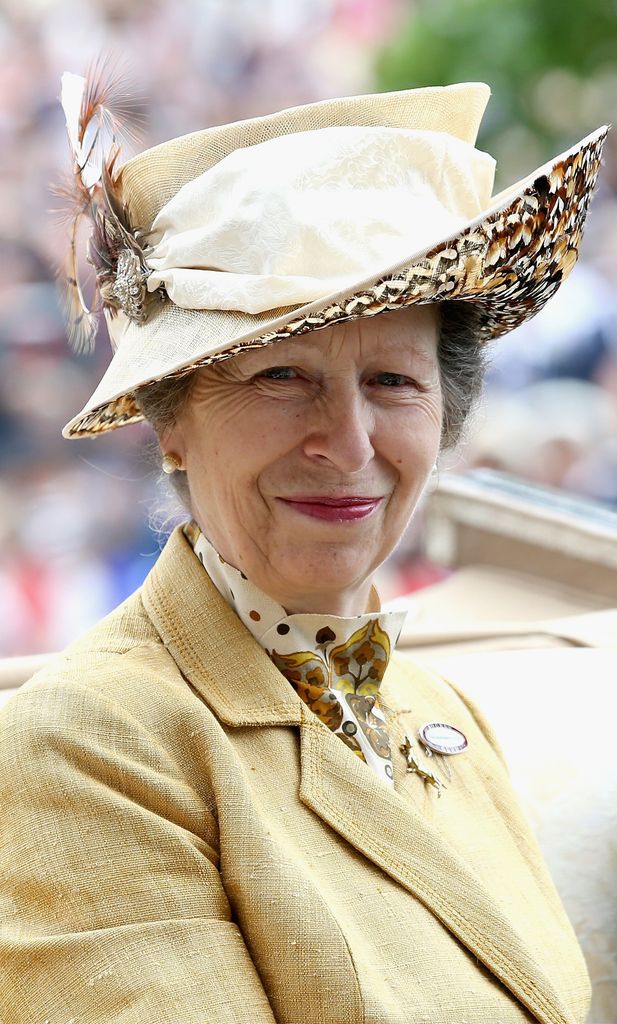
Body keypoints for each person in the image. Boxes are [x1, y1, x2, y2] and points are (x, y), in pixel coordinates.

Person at [0, 73, 608, 1023]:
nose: (351, 443)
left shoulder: (444, 715)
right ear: (172, 424)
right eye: (283, 377)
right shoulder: (86, 748)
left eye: (392, 382)